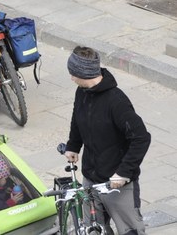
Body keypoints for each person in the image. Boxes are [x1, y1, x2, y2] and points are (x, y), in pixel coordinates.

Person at [65, 46, 150, 235]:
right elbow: (77, 118)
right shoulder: (82, 92)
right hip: (91, 179)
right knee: (93, 230)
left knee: (130, 231)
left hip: (117, 184)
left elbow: (141, 138)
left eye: (72, 73)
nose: (71, 77)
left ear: (82, 72)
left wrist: (123, 173)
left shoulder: (116, 101)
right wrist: (73, 145)